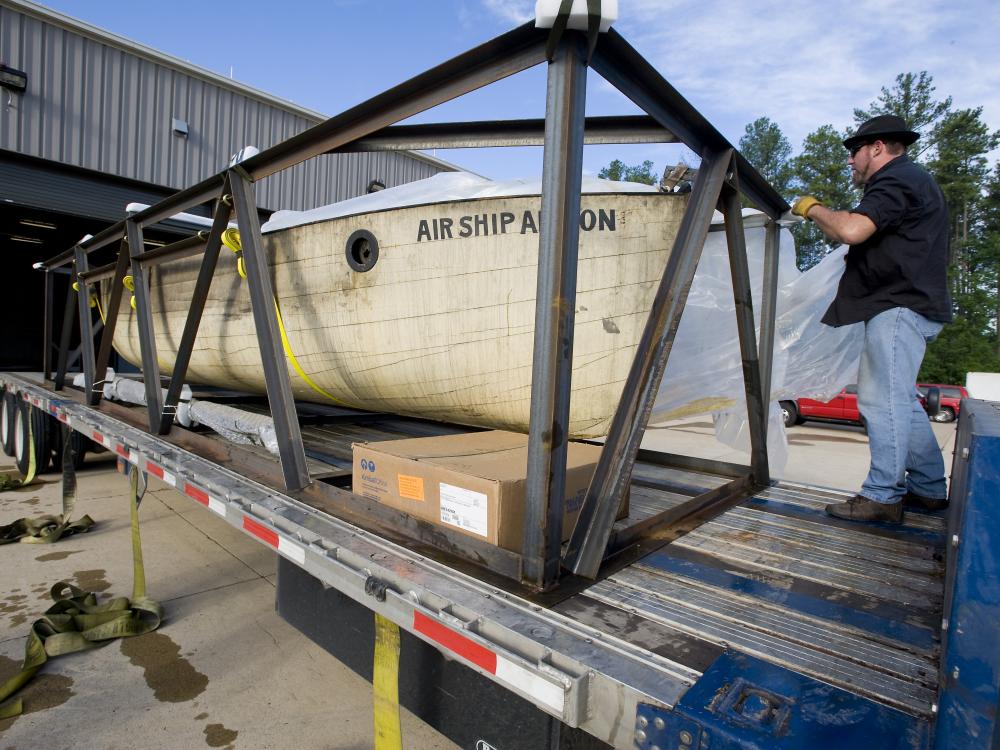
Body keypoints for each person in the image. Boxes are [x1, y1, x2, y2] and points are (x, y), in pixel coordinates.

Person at [791, 115, 952, 523]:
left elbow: (852, 230)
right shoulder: (911, 180)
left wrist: (813, 209)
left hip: (898, 306)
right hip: (909, 305)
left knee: (881, 400)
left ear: (877, 147)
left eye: (854, 152)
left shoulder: (897, 179)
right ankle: (929, 490)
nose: (850, 161)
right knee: (903, 403)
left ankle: (882, 496)